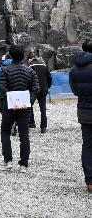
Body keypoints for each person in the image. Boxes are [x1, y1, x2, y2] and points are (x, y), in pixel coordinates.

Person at [0, 45, 40, 173]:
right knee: (24, 135)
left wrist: (10, 99)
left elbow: (2, 87)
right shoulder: (30, 71)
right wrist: (29, 101)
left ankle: (8, 160)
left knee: (5, 133)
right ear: (23, 56)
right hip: (24, 107)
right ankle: (24, 164)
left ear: (10, 55)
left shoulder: (5, 70)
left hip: (9, 107)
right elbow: (36, 88)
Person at [69, 40, 92, 194]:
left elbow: (75, 90)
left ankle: (89, 181)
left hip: (84, 110)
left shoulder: (73, 69)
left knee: (87, 145)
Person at [27, 53, 52, 133]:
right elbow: (49, 77)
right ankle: (43, 127)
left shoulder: (30, 66)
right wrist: (48, 86)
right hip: (43, 89)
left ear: (29, 59)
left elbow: (28, 78)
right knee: (43, 109)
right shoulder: (44, 65)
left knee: (29, 106)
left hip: (33, 90)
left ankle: (32, 123)